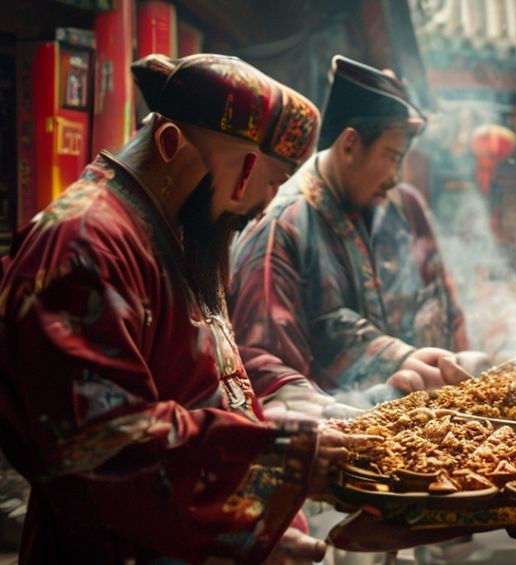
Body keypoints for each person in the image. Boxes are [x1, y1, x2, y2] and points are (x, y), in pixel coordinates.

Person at [0, 53, 359, 564]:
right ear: (171, 144)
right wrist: (280, 457)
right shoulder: (83, 243)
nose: (261, 204)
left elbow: (202, 368)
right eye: (261, 177)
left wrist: (298, 402)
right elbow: (103, 448)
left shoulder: (175, 232)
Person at [229, 56, 477, 415]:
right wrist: (388, 375)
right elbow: (263, 370)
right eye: (392, 157)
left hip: (408, 425)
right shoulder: (282, 226)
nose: (396, 176)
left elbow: (439, 305)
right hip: (328, 438)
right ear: (349, 146)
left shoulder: (391, 207)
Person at [371, 182, 468, 352]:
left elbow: (433, 256)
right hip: (379, 320)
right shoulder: (357, 205)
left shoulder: (405, 198)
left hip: (414, 313)